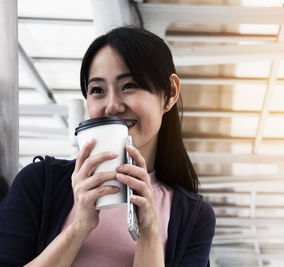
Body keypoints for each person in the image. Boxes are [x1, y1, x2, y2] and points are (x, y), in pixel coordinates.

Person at [0, 26, 215, 267]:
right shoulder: (40, 183)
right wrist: (79, 227)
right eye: (98, 90)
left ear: (170, 92)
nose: (112, 106)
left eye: (129, 85)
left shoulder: (192, 216)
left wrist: (150, 232)